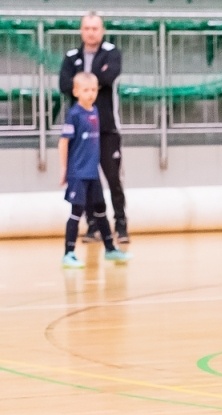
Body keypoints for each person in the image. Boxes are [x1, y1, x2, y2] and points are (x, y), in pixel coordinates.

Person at [59, 11, 127, 247]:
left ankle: (121, 225)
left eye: (95, 28)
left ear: (102, 30)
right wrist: (92, 80)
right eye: (86, 28)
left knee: (113, 178)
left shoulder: (112, 52)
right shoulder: (71, 56)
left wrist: (84, 81)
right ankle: (92, 226)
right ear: (81, 30)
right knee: (87, 179)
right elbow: (64, 84)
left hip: (106, 129)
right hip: (81, 133)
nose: (90, 33)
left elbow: (109, 77)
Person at [60, 72, 127, 268]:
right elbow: (63, 142)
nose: (90, 94)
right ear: (76, 92)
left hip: (92, 173)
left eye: (93, 90)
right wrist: (64, 169)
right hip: (78, 173)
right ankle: (68, 253)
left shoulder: (95, 111)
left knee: (100, 210)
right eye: (86, 90)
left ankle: (110, 249)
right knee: (76, 212)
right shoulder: (74, 114)